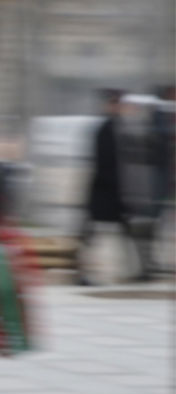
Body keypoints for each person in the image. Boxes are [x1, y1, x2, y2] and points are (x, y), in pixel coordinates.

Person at [77, 89, 139, 285]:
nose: (119, 108)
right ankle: (87, 273)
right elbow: (105, 164)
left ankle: (130, 271)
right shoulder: (106, 130)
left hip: (111, 192)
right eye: (116, 104)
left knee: (102, 234)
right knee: (94, 235)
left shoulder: (116, 128)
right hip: (105, 191)